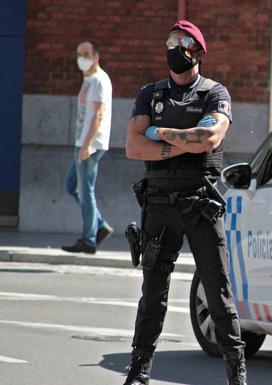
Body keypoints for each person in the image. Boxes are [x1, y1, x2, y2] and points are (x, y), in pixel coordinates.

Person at [123, 20, 246, 385]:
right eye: (171, 41)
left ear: (198, 51)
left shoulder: (213, 93)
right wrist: (179, 143)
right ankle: (139, 369)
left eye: (184, 42)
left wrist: (157, 134)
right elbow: (132, 146)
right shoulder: (151, 94)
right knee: (152, 293)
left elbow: (208, 137)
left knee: (217, 288)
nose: (175, 47)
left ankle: (235, 371)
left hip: (199, 202)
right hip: (158, 204)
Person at [62, 40, 114, 254]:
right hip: (82, 143)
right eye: (78, 54)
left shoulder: (99, 81)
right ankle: (99, 226)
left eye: (85, 54)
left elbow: (99, 115)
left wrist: (88, 145)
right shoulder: (90, 80)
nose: (80, 58)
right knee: (71, 186)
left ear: (96, 57)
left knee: (86, 191)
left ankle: (89, 239)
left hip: (89, 145)